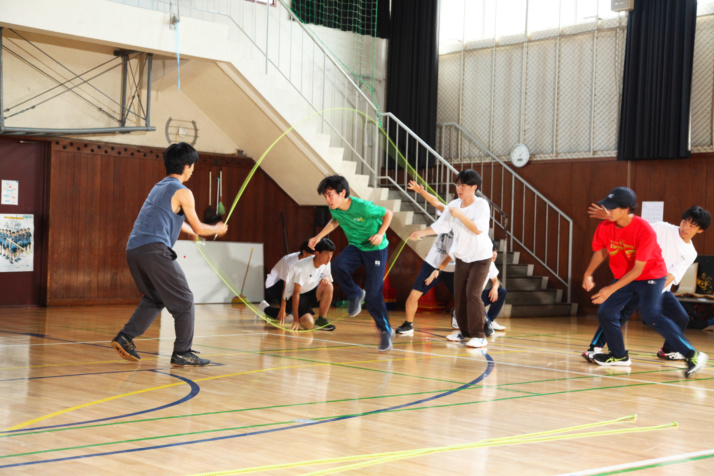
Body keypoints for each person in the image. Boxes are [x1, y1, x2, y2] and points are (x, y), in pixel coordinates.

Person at [111, 142, 228, 367]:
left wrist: (188, 231)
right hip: (155, 251)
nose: (193, 170)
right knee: (185, 301)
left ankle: (125, 338)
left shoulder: (159, 187)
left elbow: (167, 218)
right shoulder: (184, 192)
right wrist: (217, 229)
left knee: (156, 298)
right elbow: (201, 228)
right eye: (192, 166)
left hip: (135, 251)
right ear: (187, 166)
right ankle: (182, 352)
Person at [582, 187, 707, 378]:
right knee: (609, 311)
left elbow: (670, 275)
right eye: (685, 221)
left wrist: (650, 294)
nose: (686, 227)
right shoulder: (662, 228)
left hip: (655, 280)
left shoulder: (690, 253)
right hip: (633, 276)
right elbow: (631, 226)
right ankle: (607, 351)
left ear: (700, 230)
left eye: (692, 225)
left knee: (658, 314)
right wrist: (609, 218)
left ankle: (686, 353)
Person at [309, 175, 394, 351]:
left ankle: (385, 331)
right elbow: (335, 221)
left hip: (375, 249)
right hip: (356, 247)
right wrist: (318, 237)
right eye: (325, 196)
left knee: (373, 296)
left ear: (342, 193)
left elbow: (388, 214)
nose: (327, 199)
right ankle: (355, 294)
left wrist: (380, 234)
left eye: (330, 195)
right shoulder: (335, 208)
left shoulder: (362, 207)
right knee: (338, 266)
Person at [429, 170, 493, 349]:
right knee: (460, 295)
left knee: (473, 294)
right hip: (462, 257)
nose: (459, 188)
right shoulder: (454, 204)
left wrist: (460, 215)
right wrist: (422, 232)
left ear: (474, 187)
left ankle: (480, 335)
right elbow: (442, 224)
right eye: (458, 185)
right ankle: (465, 332)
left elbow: (478, 229)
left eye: (463, 185)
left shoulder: (482, 205)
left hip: (481, 256)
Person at [260, 238, 335, 331]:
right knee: (302, 320)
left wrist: (326, 279)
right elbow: (292, 290)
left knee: (329, 285)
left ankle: (321, 320)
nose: (329, 257)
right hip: (277, 286)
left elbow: (328, 276)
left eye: (331, 254)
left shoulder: (326, 262)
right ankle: (266, 309)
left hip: (307, 291)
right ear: (316, 253)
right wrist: (293, 317)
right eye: (327, 254)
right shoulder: (298, 265)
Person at [482, 243, 508, 331]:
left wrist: (494, 288)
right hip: (471, 297)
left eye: (496, 251)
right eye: (492, 251)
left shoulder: (491, 264)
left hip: (479, 295)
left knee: (502, 291)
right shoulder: (479, 263)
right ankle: (486, 322)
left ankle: (490, 321)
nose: (495, 254)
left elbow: (496, 281)